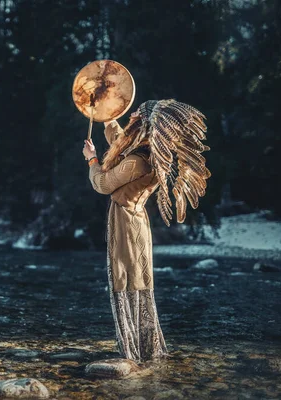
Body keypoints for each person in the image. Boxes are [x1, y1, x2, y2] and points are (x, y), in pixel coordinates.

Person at [82, 99, 210, 363]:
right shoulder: (149, 153)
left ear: (144, 125)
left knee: (125, 280)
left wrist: (92, 159)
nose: (131, 118)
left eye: (135, 117)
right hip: (134, 222)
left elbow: (104, 184)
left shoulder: (139, 161)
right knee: (136, 281)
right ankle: (143, 351)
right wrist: (108, 118)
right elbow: (121, 140)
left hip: (126, 224)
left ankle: (134, 352)